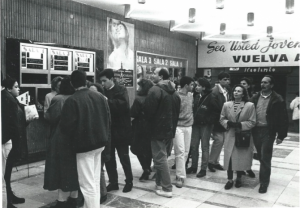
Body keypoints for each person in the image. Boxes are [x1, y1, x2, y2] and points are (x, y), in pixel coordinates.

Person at [59, 70, 111, 208]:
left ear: (71, 83)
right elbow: (107, 119)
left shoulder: (72, 100)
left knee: (87, 185)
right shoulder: (99, 96)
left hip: (84, 146)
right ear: (85, 81)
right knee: (94, 180)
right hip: (100, 143)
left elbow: (66, 127)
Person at [144, 67, 181, 198]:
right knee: (163, 158)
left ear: (160, 77)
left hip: (157, 130)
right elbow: (177, 112)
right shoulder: (175, 92)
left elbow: (148, 111)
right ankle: (159, 184)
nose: (152, 75)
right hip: (170, 130)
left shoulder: (155, 90)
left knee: (159, 159)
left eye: (154, 73)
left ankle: (166, 188)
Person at [43, 77, 78, 208]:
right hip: (75, 138)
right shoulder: (76, 97)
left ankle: (61, 201)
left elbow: (50, 117)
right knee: (73, 169)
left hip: (60, 137)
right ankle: (73, 198)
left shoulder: (58, 99)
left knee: (60, 169)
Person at [250, 75, 289, 194]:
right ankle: (265, 176)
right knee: (261, 157)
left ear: (271, 85)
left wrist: (281, 135)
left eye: (266, 82)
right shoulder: (255, 97)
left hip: (268, 131)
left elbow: (283, 118)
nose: (263, 84)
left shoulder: (278, 99)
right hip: (256, 130)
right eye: (262, 82)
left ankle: (264, 182)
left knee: (265, 157)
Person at [99, 69, 133, 193]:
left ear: (111, 79)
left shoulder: (121, 89)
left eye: (104, 81)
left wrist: (107, 101)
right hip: (108, 131)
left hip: (121, 130)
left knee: (124, 157)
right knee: (109, 158)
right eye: (101, 81)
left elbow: (123, 106)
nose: (102, 84)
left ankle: (129, 181)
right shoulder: (102, 91)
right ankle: (113, 182)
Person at [2, 77, 32, 208]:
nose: (18, 88)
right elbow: (12, 124)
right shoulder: (8, 99)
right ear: (8, 88)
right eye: (15, 86)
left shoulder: (13, 99)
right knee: (5, 173)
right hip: (10, 142)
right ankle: (6, 200)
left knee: (7, 173)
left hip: (13, 141)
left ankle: (9, 196)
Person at [219, 85, 256, 189]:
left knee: (240, 158)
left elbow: (252, 122)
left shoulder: (249, 105)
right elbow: (221, 119)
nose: (236, 92)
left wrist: (241, 125)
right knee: (229, 158)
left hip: (242, 135)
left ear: (243, 94)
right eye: (235, 90)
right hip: (230, 134)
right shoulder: (226, 105)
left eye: (239, 91)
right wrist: (228, 123)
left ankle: (239, 178)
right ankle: (230, 179)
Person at [187, 78, 218, 178]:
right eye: (196, 85)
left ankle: (203, 169)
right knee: (194, 146)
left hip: (205, 125)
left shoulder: (211, 97)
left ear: (204, 87)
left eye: (199, 85)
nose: (196, 87)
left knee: (204, 147)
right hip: (195, 124)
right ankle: (193, 166)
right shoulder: (196, 96)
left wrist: (208, 121)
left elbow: (216, 112)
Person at [88, 82, 111, 204]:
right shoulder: (95, 102)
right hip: (96, 140)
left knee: (99, 168)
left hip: (101, 140)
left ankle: (102, 193)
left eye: (94, 91)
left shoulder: (102, 102)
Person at [172, 76, 194, 188]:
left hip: (189, 126)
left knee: (186, 151)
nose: (193, 86)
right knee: (180, 151)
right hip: (178, 126)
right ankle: (180, 176)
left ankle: (180, 172)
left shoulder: (191, 95)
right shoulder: (176, 96)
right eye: (192, 84)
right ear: (186, 85)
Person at [130, 79, 154, 181]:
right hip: (151, 127)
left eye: (139, 86)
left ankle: (145, 168)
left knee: (137, 148)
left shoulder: (138, 99)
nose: (138, 88)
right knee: (148, 150)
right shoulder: (154, 98)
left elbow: (133, 113)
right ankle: (147, 167)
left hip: (139, 127)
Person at [208, 72, 231, 172]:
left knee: (221, 142)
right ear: (220, 80)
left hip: (224, 120)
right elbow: (215, 107)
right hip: (217, 120)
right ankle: (211, 162)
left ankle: (215, 162)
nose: (227, 81)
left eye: (228, 79)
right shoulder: (215, 91)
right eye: (225, 79)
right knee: (219, 141)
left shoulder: (227, 90)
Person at [240, 77, 256, 178]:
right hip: (240, 127)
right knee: (240, 148)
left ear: (249, 86)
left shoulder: (254, 97)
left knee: (249, 149)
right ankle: (240, 168)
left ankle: (248, 167)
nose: (242, 85)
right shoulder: (237, 97)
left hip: (250, 127)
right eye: (241, 83)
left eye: (244, 84)